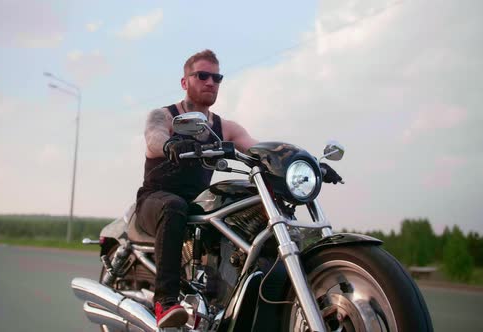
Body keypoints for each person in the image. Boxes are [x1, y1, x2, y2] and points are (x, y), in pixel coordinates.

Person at [135, 49, 342, 328]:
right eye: (203, 75)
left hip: (197, 202)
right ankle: (165, 302)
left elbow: (257, 148)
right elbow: (154, 137)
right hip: (156, 199)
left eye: (216, 77)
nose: (211, 82)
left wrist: (304, 163)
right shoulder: (165, 116)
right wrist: (170, 144)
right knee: (174, 207)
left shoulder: (225, 127)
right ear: (185, 82)